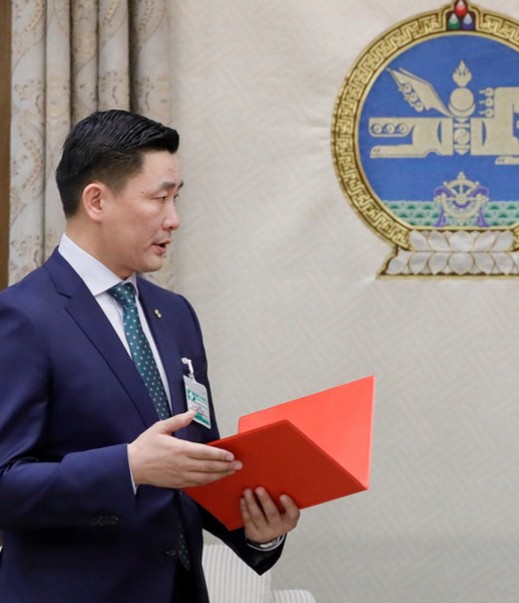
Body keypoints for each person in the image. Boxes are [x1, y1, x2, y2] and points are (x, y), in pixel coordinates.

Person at [0, 109, 300, 602]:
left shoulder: (175, 314)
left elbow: (194, 463)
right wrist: (128, 467)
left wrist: (256, 528)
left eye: (176, 198)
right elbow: (6, 481)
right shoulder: (21, 316)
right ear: (97, 200)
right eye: (159, 198)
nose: (173, 219)